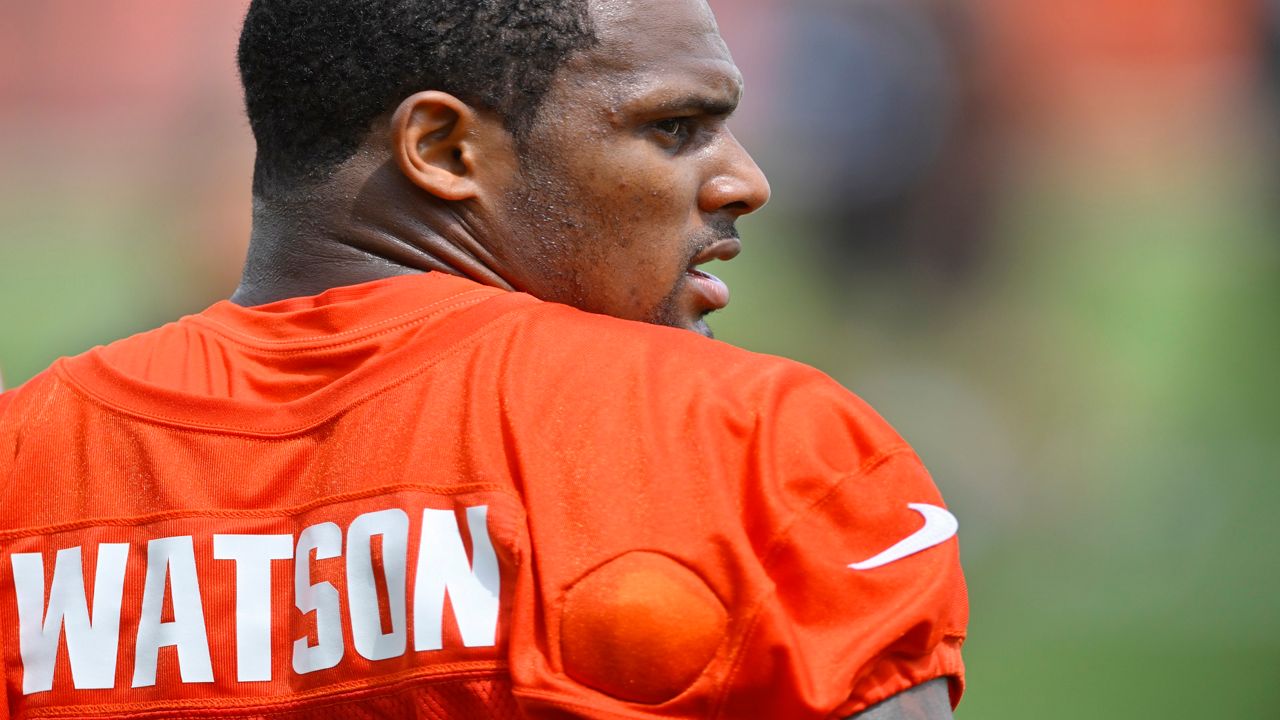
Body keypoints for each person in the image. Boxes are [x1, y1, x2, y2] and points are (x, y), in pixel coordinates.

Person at [0, 0, 967, 718]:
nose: (746, 181)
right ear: (444, 148)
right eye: (675, 128)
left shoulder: (21, 463)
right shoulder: (758, 446)